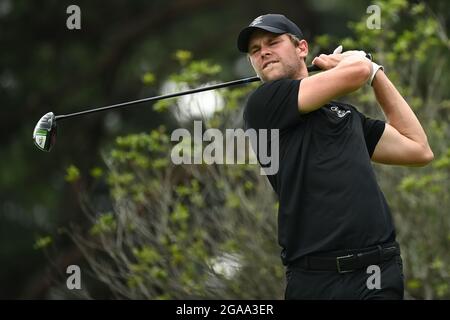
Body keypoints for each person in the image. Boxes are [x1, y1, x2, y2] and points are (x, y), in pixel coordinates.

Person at [237, 14, 434, 299]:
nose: (263, 51)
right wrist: (358, 63)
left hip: (377, 272)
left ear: (301, 48)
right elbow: (354, 74)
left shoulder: (344, 115)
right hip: (315, 279)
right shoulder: (263, 104)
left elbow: (418, 148)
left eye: (273, 42)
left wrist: (376, 73)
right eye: (255, 50)